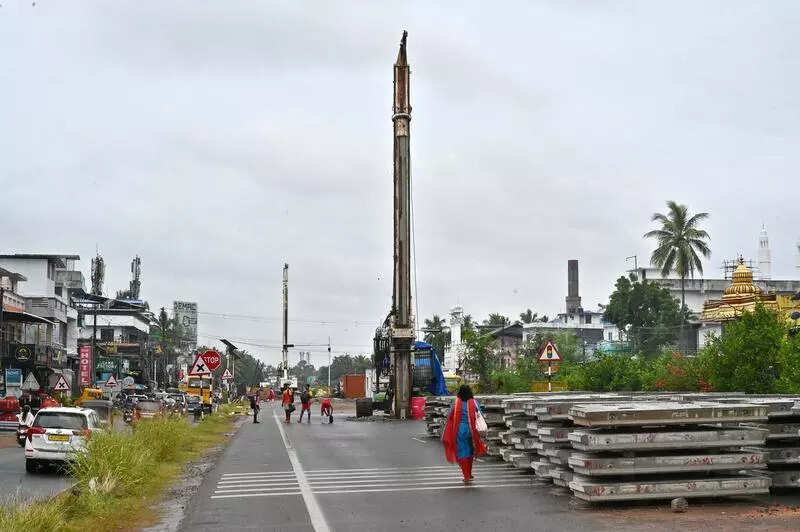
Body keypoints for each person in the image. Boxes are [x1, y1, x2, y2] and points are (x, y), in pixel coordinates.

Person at [442, 384, 486, 482]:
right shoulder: (474, 402)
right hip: (472, 430)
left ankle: (466, 475)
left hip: (460, 430)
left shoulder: (456, 403)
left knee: (463, 452)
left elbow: (450, 416)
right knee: (470, 451)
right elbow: (480, 415)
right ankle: (469, 474)